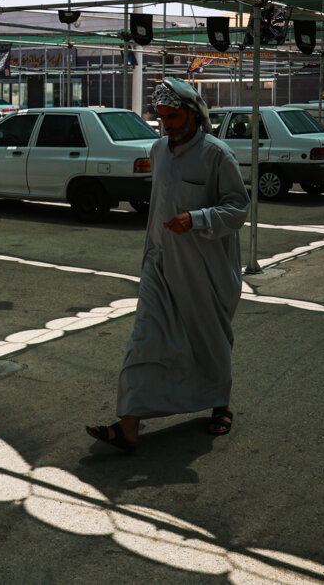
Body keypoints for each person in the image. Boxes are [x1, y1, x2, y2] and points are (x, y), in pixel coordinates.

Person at [86, 78, 250, 452]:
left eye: (174, 117)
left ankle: (219, 404)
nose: (169, 125)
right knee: (143, 342)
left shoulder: (217, 154)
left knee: (209, 344)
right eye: (162, 119)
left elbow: (238, 209)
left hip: (205, 272)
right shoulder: (158, 150)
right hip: (160, 267)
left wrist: (198, 218)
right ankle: (129, 425)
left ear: (194, 113)